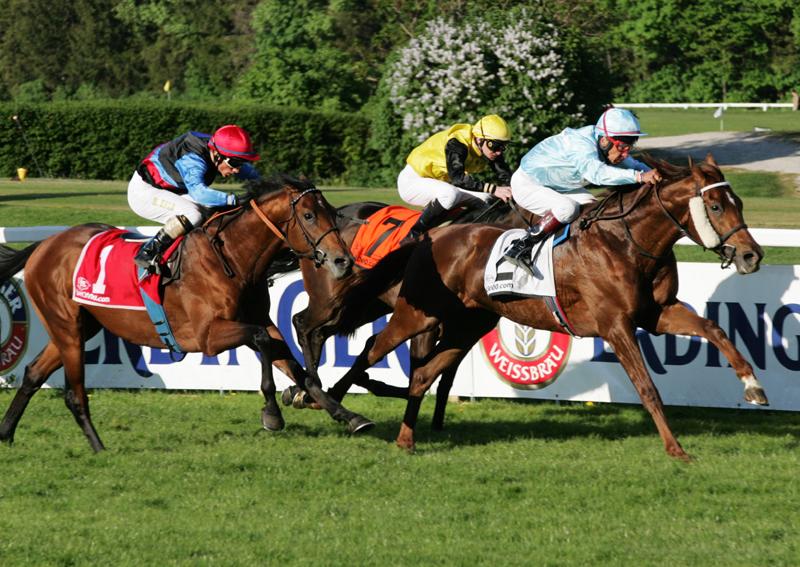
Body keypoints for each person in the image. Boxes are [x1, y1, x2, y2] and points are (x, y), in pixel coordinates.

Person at [503, 107, 662, 272]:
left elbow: (635, 165)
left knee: (593, 209)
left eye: (629, 147)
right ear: (604, 140)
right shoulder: (580, 144)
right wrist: (639, 177)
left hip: (560, 186)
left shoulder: (605, 142)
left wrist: (660, 175)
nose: (625, 154)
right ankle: (520, 246)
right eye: (622, 147)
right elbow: (597, 174)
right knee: (567, 208)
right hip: (527, 184)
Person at [128, 125, 260, 274]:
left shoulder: (218, 150)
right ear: (217, 155)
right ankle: (148, 253)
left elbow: (251, 175)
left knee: (215, 212)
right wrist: (234, 199)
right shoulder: (193, 160)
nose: (236, 170)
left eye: (240, 163)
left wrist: (268, 186)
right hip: (144, 192)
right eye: (235, 164)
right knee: (193, 214)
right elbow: (199, 194)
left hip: (170, 190)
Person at [398, 114, 515, 239]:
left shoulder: (487, 146)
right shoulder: (457, 143)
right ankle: (413, 235)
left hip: (439, 183)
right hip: (413, 181)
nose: (499, 151)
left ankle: (455, 237)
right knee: (450, 194)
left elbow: (504, 174)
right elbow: (458, 179)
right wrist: (494, 189)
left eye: (503, 146)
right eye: (495, 145)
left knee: (487, 199)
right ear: (479, 139)